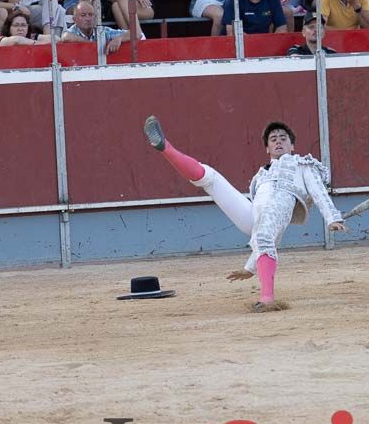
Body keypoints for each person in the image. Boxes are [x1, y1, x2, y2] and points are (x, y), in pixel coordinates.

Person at [144, 116, 345, 311]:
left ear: (292, 146)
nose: (278, 142)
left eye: (283, 139)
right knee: (211, 178)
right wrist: (250, 268)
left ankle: (267, 300)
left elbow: (318, 191)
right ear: (267, 148)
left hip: (282, 203)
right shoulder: (260, 176)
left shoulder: (302, 165)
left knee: (266, 235)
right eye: (273, 140)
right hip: (254, 215)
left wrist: (332, 217)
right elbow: (264, 230)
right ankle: (166, 148)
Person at [61, 0, 130, 52]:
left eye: (90, 15)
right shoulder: (72, 32)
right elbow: (66, 36)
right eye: (83, 15)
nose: (88, 18)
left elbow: (136, 34)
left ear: (95, 17)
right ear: (74, 19)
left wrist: (119, 39)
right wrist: (91, 44)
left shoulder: (103, 31)